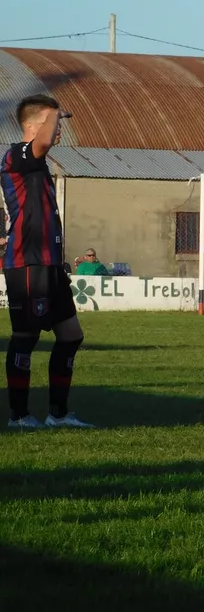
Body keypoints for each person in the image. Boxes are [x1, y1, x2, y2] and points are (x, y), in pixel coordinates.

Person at [2, 95, 90, 429]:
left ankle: (58, 413)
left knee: (71, 335)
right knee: (25, 335)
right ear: (33, 125)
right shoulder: (17, 154)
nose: (58, 132)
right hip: (29, 262)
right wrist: (55, 112)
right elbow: (39, 141)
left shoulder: (37, 163)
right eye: (54, 124)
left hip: (50, 264)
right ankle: (19, 416)